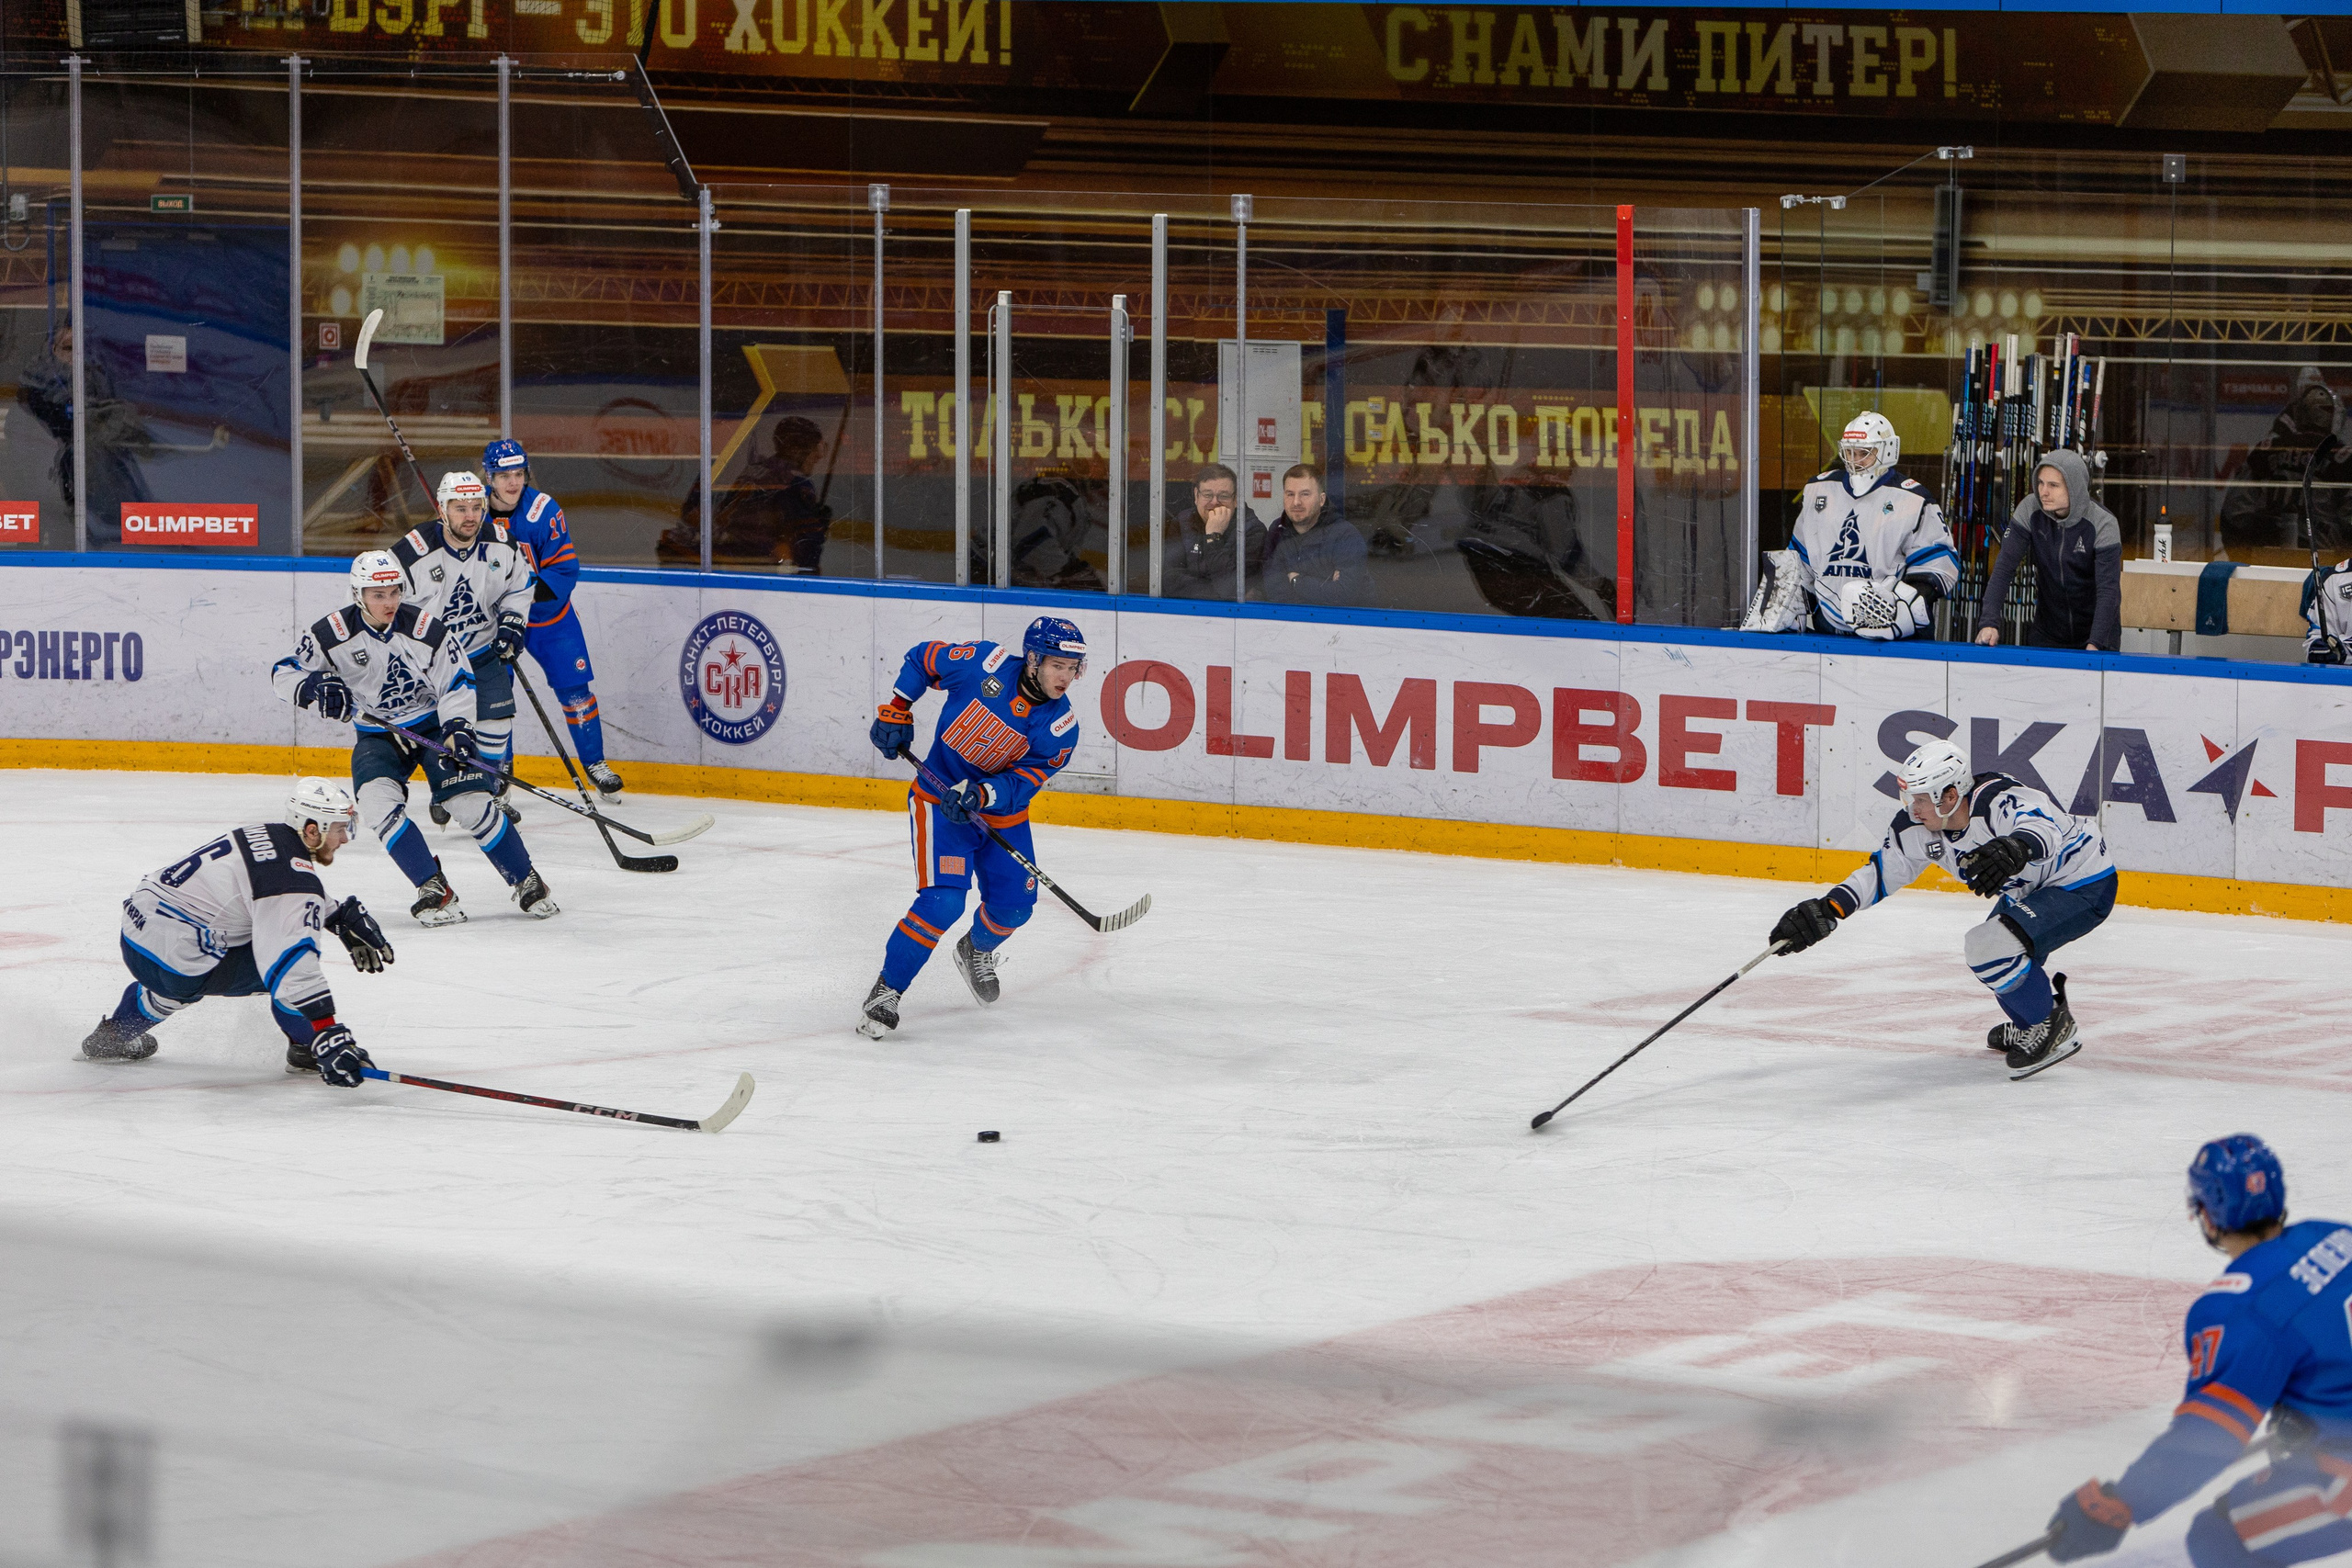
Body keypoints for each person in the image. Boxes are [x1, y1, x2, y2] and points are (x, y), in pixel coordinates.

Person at [2037, 1134, 2352, 1565]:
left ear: (2207, 1213)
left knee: (2220, 1538)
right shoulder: (2333, 1234)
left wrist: (2122, 1503)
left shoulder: (2238, 1307)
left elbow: (2211, 1435)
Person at [1769, 737, 2116, 1077]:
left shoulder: (2000, 800)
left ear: (1950, 795)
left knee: (1987, 948)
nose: (1911, 809)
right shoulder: (1917, 828)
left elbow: (2044, 829)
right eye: (1908, 798)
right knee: (1996, 957)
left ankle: (2051, 1025)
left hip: (2082, 880)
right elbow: (1881, 874)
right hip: (2030, 890)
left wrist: (2014, 847)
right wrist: (1828, 909)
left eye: (1919, 799)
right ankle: (2031, 1025)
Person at [271, 549, 558, 925]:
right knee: (375, 803)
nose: (389, 602)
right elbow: (284, 671)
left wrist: (458, 726)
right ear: (358, 595)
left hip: (432, 727)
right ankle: (433, 886)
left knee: (470, 802)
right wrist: (313, 685)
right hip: (378, 735)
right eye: (378, 595)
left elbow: (456, 679)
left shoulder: (425, 627)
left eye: (394, 592)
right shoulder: (331, 633)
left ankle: (525, 878)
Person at [858, 616, 1089, 1039]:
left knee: (1015, 908)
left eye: (1073, 667)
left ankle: (975, 950)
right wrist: (897, 708)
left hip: (999, 814)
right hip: (938, 803)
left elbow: (1024, 783)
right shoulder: (984, 663)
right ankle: (886, 992)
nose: (1066, 677)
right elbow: (923, 658)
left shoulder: (1060, 727)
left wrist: (982, 795)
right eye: (1058, 665)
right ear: (1033, 659)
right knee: (944, 903)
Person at [80, 777, 393, 1085]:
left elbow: (273, 883)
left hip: (136, 934)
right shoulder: (293, 882)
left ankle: (112, 1036)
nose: (346, 839)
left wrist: (336, 914)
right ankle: (307, 1048)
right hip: (174, 963)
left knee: (212, 943)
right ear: (313, 831)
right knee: (282, 968)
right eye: (341, 829)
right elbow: (291, 957)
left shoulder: (263, 834)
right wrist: (326, 1030)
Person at [390, 471, 535, 828]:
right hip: (432, 662)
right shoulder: (412, 552)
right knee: (444, 732)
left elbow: (521, 583)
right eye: (459, 508)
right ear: (442, 510)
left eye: (476, 507)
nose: (470, 516)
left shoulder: (501, 542)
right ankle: (449, 790)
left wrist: (513, 620)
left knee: (497, 724)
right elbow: (380, 604)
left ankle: (485, 793)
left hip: (482, 650)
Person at [481, 439, 623, 801]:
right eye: (503, 475)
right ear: (489, 477)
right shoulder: (471, 511)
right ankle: (501, 771)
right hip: (494, 623)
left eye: (518, 474)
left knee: (575, 691)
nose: (513, 483)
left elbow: (563, 570)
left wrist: (520, 598)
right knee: (496, 699)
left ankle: (594, 762)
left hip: (549, 620)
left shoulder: (542, 511)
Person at [1742, 412, 1957, 640]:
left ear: (1887, 451)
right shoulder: (1819, 491)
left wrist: (1904, 607)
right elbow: (1800, 561)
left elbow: (1937, 567)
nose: (1855, 460)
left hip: (1888, 633)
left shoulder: (1913, 498)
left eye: (1864, 453)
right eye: (1850, 452)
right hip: (1827, 626)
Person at [14, 323, 153, 547]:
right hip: (51, 510)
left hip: (107, 508)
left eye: (83, 349)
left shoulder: (103, 386)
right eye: (68, 348)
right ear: (51, 352)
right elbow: (21, 461)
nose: (77, 357)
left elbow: (137, 446)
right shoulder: (30, 398)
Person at [1973, 448, 2123, 652]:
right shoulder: (2030, 509)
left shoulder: (2103, 523)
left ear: (2074, 488)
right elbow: (2004, 568)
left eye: (2053, 485)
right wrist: (1988, 622)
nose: (2043, 492)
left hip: (2096, 635)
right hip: (2047, 633)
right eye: (2041, 483)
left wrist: (2096, 643)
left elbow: (2109, 591)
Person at [662, 415, 834, 571]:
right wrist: (816, 530)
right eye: (815, 448)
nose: (818, 456)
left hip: (719, 552)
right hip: (745, 563)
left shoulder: (753, 469)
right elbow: (807, 553)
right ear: (797, 450)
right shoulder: (794, 484)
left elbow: (690, 511)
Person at [2220, 368, 2352, 560]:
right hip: (2322, 563)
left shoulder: (2269, 449)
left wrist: (2243, 559)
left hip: (2266, 557)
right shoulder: (2342, 458)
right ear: (2332, 418)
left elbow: (2234, 514)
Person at [1260, 466, 1373, 605]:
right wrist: (1323, 586)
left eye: (1305, 494)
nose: (1296, 502)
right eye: (1290, 494)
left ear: (1321, 499)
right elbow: (1273, 589)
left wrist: (1296, 581)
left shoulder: (1345, 535)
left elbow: (1343, 595)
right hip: (1289, 621)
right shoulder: (1277, 530)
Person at [1162, 463, 1266, 601]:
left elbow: (1233, 587)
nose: (1214, 502)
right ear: (1196, 496)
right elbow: (1171, 581)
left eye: (1223, 496)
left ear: (1236, 500)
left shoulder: (1253, 530)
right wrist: (1218, 593)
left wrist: (1213, 537)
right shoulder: (1182, 523)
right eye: (1207, 495)